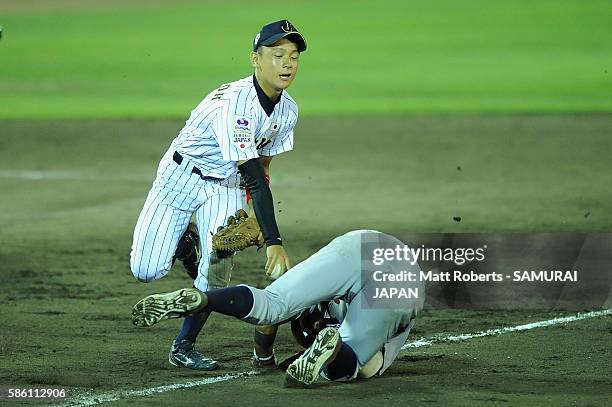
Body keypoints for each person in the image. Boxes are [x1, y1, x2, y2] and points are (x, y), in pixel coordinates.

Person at [129, 19, 307, 370]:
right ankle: (184, 245)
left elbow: (263, 167)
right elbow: (253, 175)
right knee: (146, 270)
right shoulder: (235, 106)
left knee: (216, 272)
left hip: (227, 184)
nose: (287, 63)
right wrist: (273, 238)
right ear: (255, 59)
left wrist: (255, 213)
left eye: (294, 56)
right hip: (181, 176)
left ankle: (184, 345)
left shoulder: (288, 110)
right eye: (277, 54)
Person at [132, 230, 426, 385]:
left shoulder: (314, 306)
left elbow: (269, 319)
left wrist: (265, 358)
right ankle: (333, 350)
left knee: (272, 304)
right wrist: (264, 358)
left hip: (360, 247)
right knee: (357, 367)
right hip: (391, 264)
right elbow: (373, 363)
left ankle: (208, 298)